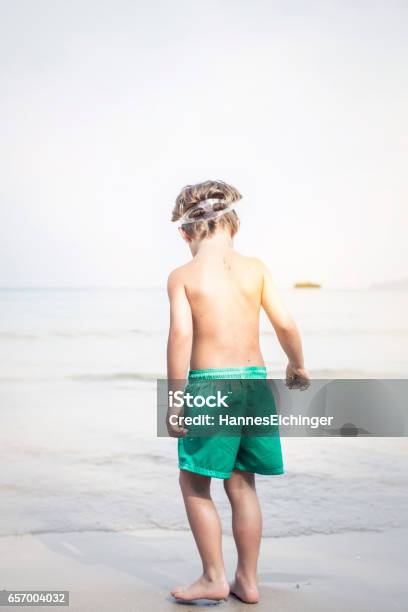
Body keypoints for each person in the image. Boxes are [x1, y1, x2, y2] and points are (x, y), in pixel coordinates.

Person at [166, 180, 309, 604]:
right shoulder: (257, 268)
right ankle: (247, 579)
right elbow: (284, 323)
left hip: (212, 386)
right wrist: (297, 363)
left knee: (194, 484)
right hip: (254, 383)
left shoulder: (183, 276)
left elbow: (179, 337)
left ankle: (213, 576)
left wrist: (175, 402)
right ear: (236, 224)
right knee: (243, 484)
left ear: (184, 233)